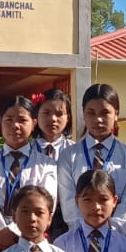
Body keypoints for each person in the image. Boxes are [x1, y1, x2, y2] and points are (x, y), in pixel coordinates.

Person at [0, 96, 59, 252]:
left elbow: (47, 202)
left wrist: (14, 232)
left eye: (22, 120)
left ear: (34, 123)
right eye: (9, 120)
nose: (15, 125)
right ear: (1, 121)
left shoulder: (46, 164)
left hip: (31, 237)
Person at [58, 84, 126, 235]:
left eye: (105, 113)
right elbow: (68, 201)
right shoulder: (68, 155)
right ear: (83, 114)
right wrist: (85, 232)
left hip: (118, 236)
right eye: (91, 113)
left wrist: (111, 232)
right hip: (78, 236)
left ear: (116, 114)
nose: (98, 119)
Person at [34, 89, 76, 236]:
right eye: (46, 113)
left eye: (59, 114)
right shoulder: (27, 151)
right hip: (35, 217)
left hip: (69, 220)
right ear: (36, 116)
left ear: (68, 117)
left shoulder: (75, 151)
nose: (53, 119)